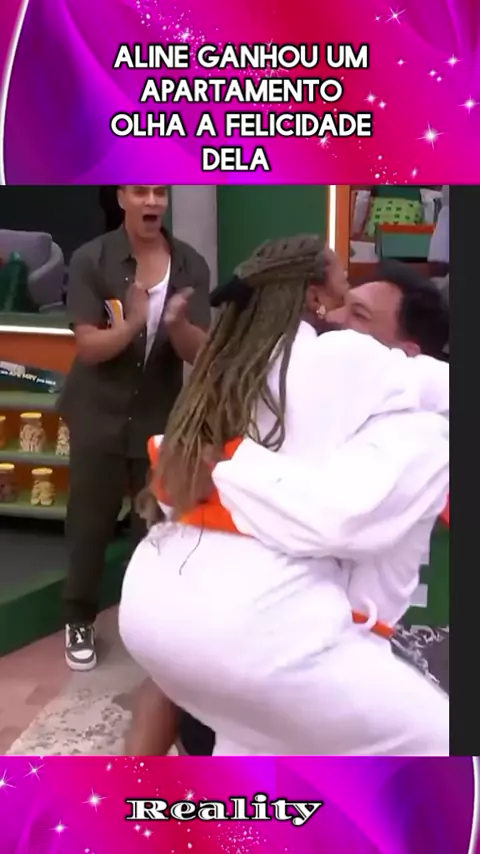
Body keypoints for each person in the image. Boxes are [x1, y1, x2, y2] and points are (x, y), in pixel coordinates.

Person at [119, 235, 449, 756]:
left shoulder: (246, 370)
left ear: (407, 350)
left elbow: (329, 515)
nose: (338, 319)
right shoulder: (323, 372)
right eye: (341, 300)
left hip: (170, 608)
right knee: (444, 746)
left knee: (253, 757)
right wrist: (233, 476)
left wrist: (228, 473)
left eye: (359, 315)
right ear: (311, 295)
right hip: (262, 637)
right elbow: (337, 520)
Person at [59, 184, 210, 670]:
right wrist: (132, 324)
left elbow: (198, 352)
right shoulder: (92, 259)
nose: (152, 202)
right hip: (97, 413)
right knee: (90, 523)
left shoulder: (190, 265)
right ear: (121, 197)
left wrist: (179, 323)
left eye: (160, 193)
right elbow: (88, 348)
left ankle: (152, 624)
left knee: (156, 527)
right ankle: (78, 620)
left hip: (156, 417)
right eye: (141, 192)